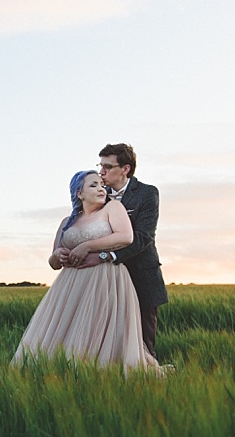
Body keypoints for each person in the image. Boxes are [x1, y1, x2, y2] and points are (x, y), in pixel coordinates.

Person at [11, 170, 162, 371]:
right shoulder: (67, 222)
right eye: (93, 185)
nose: (101, 188)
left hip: (106, 278)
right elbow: (54, 262)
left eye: (101, 185)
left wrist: (88, 246)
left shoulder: (113, 208)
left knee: (98, 328)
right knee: (68, 332)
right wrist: (58, 256)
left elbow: (126, 236)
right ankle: (66, 370)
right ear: (79, 193)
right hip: (71, 285)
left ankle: (100, 371)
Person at [69, 144, 168, 358]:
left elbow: (144, 237)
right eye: (100, 166)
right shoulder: (97, 195)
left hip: (141, 275)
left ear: (125, 169)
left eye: (107, 166)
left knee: (143, 343)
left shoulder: (147, 193)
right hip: (101, 282)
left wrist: (106, 256)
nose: (101, 172)